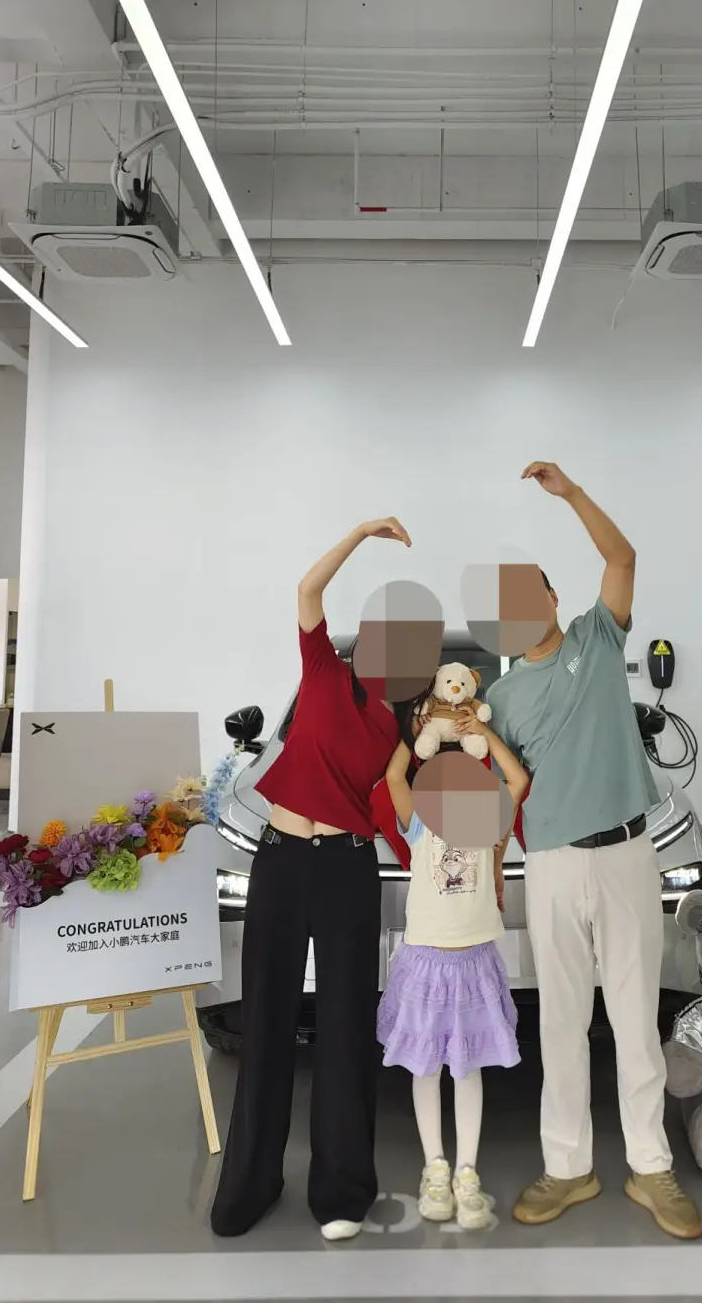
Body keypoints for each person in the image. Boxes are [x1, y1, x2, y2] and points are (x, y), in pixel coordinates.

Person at [484, 463, 702, 1241]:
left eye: (529, 594)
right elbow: (499, 793)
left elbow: (622, 557)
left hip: (626, 855)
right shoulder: (498, 701)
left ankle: (651, 1166)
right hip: (551, 866)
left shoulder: (597, 637)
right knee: (562, 1022)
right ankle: (568, 1166)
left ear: (551, 598)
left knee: (636, 1018)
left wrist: (572, 494)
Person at [210, 517, 436, 1243]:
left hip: (347, 869)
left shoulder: (404, 732)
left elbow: (411, 800)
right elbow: (307, 590)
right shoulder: (323, 671)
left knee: (344, 1028)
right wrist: (362, 533)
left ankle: (341, 1189)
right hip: (280, 859)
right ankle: (251, 1182)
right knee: (266, 1021)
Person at [377, 700, 529, 1229]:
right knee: (426, 1069)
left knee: (467, 1069)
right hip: (425, 963)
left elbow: (517, 779)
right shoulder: (418, 823)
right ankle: (435, 1168)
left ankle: (466, 1172)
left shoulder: (490, 822)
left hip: (473, 964)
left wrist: (484, 730)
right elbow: (394, 775)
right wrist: (417, 730)